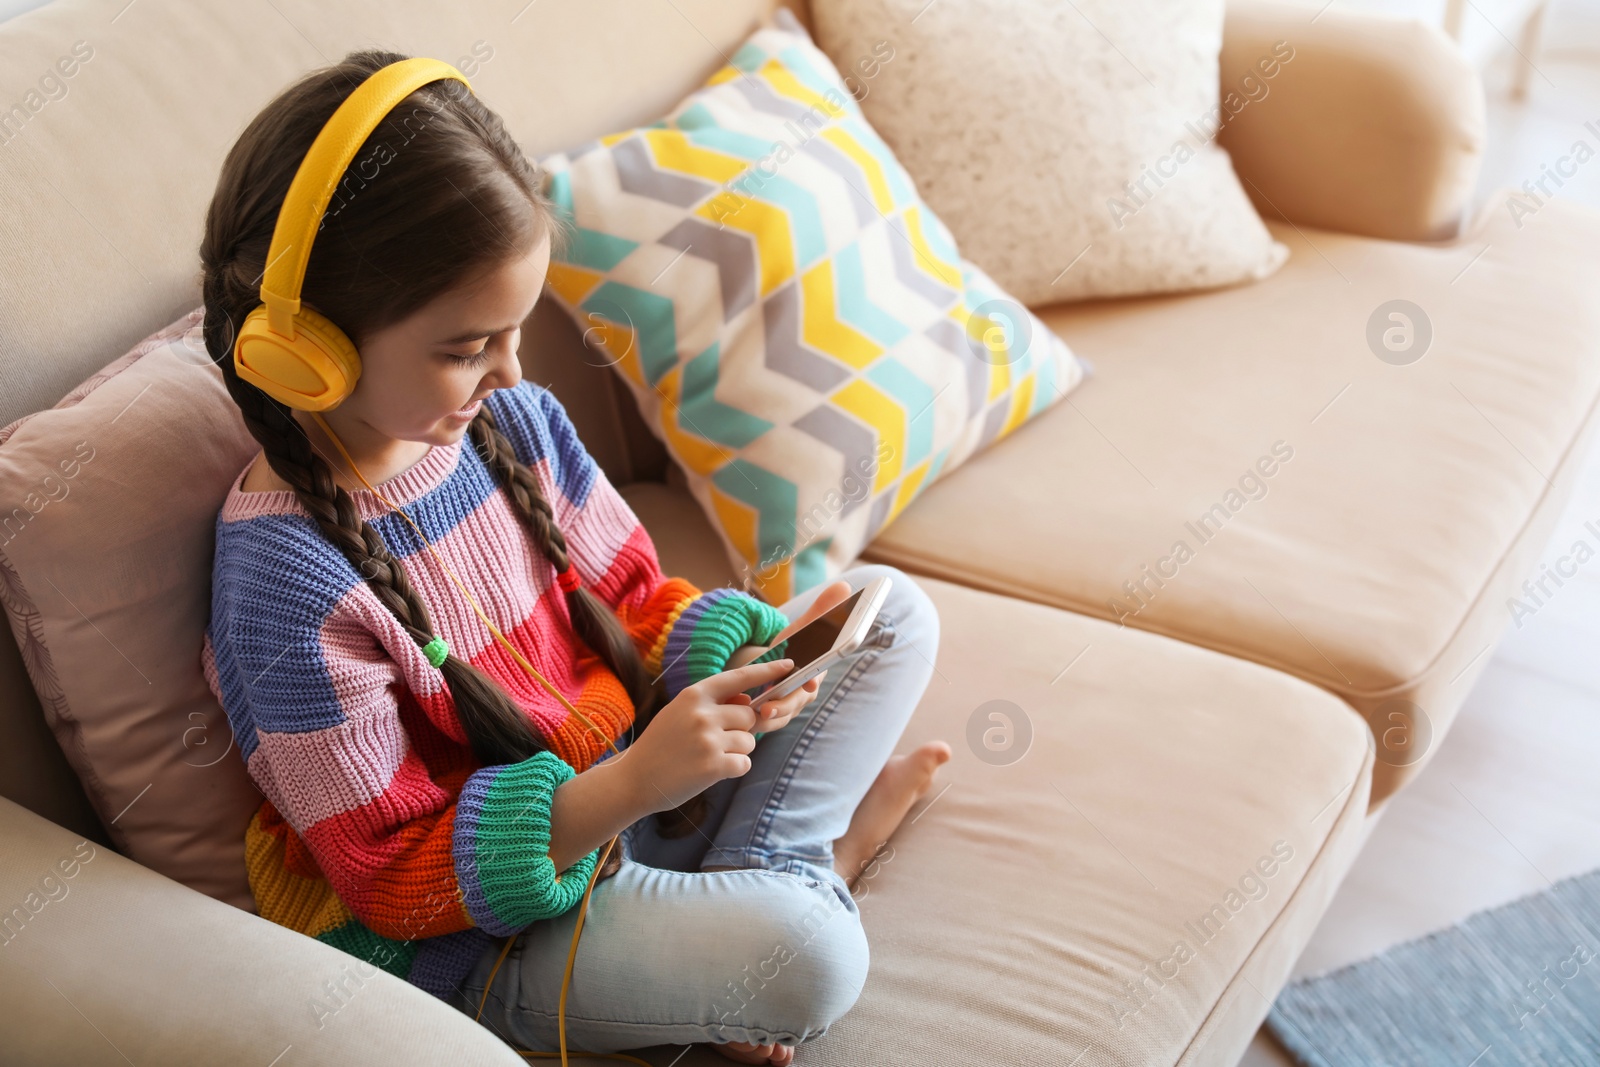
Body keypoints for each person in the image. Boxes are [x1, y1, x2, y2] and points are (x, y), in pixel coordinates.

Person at [198, 48, 949, 1066]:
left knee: (892, 608)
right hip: (496, 934)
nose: (509, 371)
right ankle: (804, 876)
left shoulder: (519, 424)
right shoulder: (282, 586)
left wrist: (750, 664)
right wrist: (636, 781)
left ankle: (773, 869)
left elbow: (633, 597)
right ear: (310, 348)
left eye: (515, 331)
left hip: (637, 790)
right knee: (812, 957)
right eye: (468, 346)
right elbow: (391, 870)